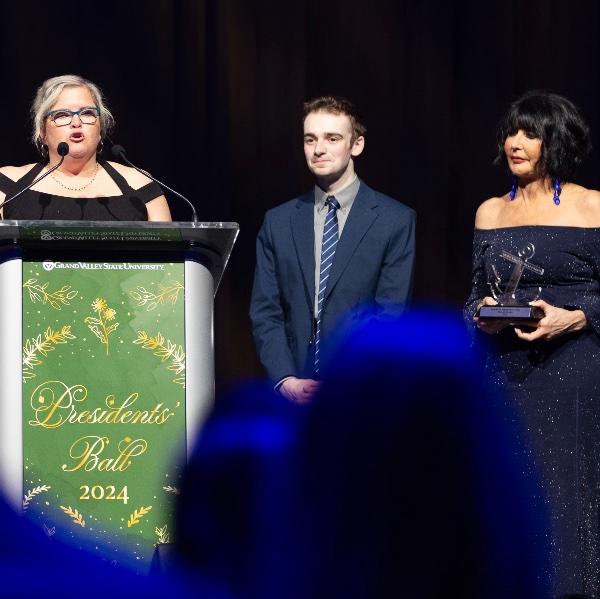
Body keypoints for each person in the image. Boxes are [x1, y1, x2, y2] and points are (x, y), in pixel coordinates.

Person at [464, 91, 600, 597]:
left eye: (530, 133)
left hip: (575, 373)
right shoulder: (490, 212)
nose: (515, 143)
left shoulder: (592, 206)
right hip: (507, 371)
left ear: (556, 140)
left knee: (568, 490)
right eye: (511, 132)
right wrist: (482, 317)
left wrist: (576, 317)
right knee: (512, 489)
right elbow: (473, 298)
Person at [250, 95, 415, 403]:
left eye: (332, 138)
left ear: (357, 145)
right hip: (293, 395)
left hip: (360, 392)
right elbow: (265, 312)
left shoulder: (394, 220)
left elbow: (390, 313)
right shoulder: (278, 222)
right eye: (310, 139)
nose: (318, 149)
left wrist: (348, 381)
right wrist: (285, 379)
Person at [0, 74, 171, 221]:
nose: (76, 122)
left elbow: (168, 248)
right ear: (43, 132)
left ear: (100, 128)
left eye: (87, 113)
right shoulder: (7, 184)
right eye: (62, 115)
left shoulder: (140, 183)